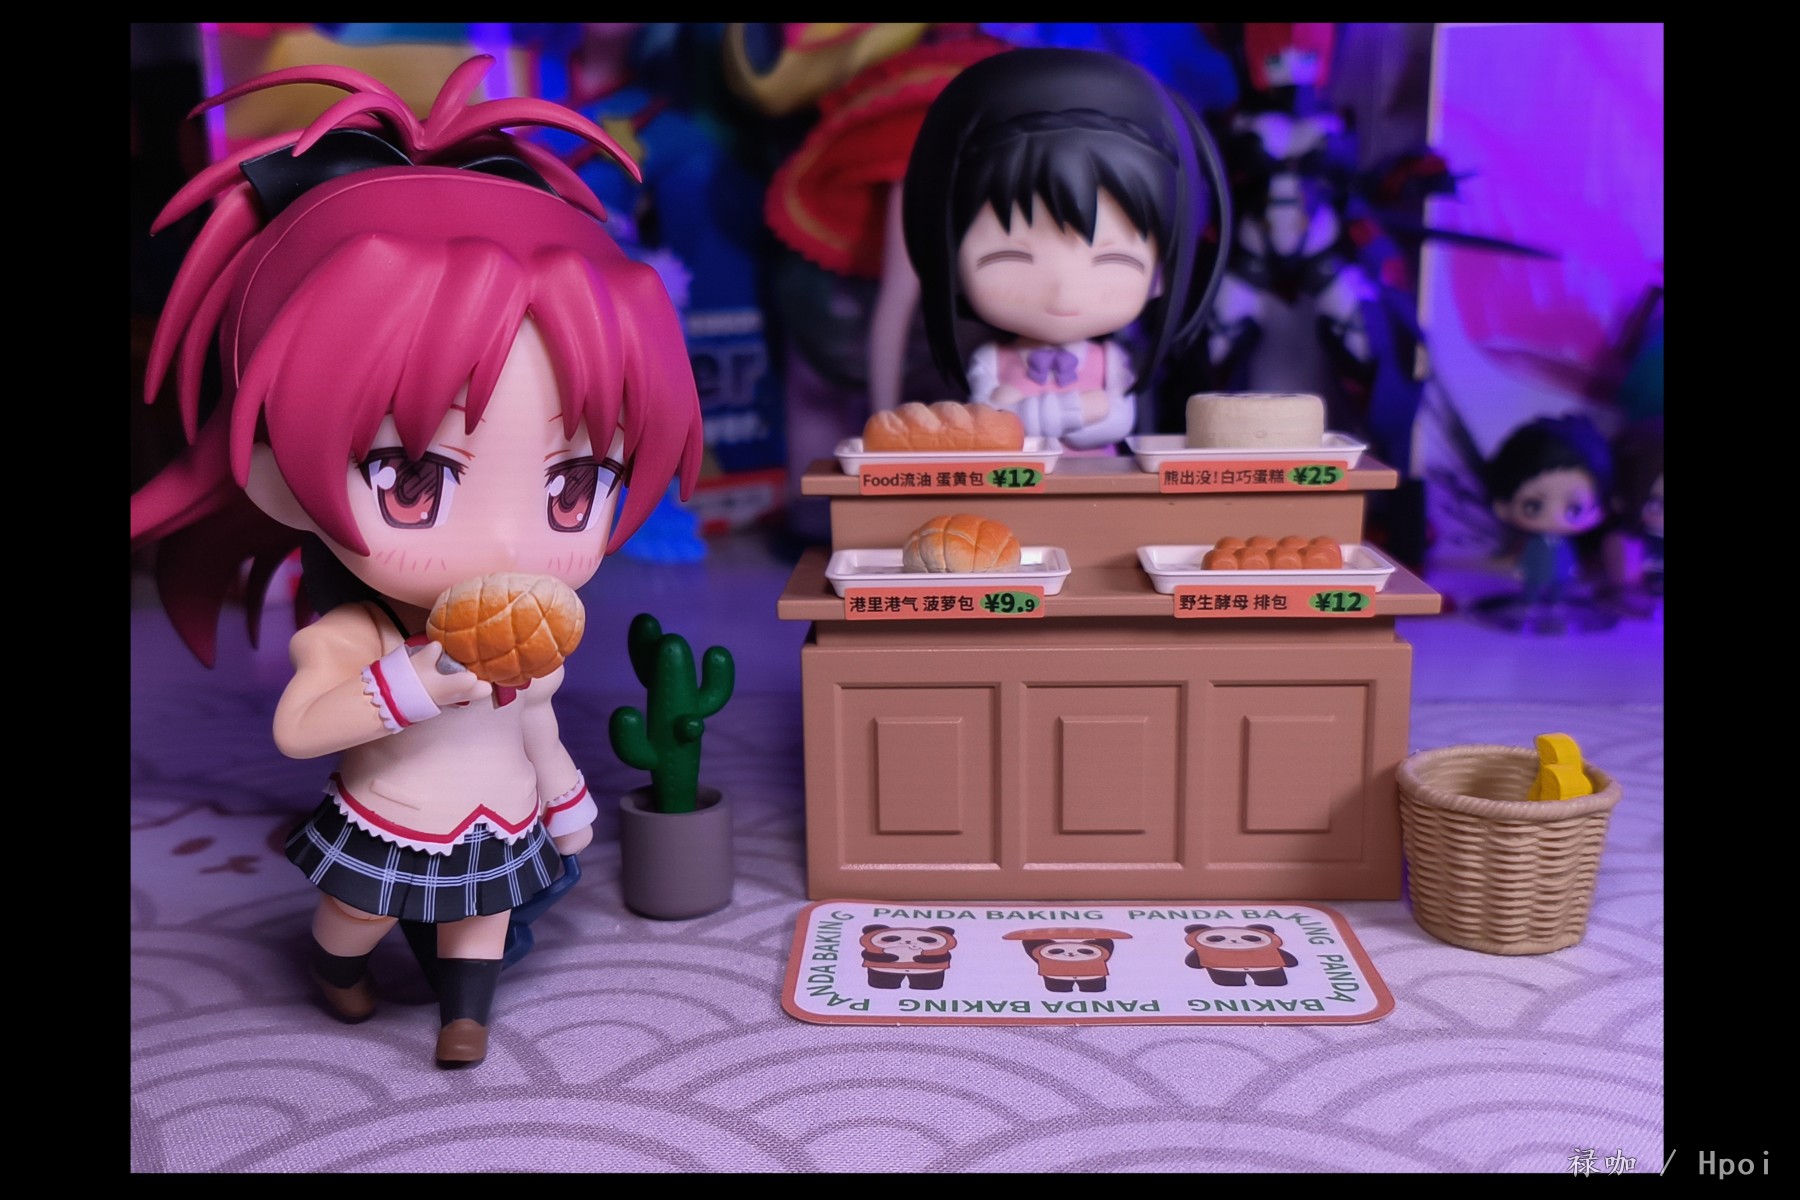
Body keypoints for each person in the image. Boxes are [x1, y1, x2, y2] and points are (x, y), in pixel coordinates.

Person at [129, 56, 704, 1067]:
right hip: (389, 817)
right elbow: (301, 729)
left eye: (573, 489)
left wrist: (567, 802)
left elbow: (538, 725)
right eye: (411, 479)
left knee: (482, 918)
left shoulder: (527, 645)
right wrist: (416, 682)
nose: (506, 545)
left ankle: (465, 1017)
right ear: (274, 476)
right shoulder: (352, 633)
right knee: (355, 915)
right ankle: (338, 968)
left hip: (495, 818)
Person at [900, 47, 1229, 451]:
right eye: (1011, 257)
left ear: (1162, 272)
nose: (1063, 288)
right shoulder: (991, 361)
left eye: (1112, 259)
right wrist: (1076, 409)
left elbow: (1116, 421)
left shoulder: (1111, 362)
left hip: (1098, 479)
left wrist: (1034, 411)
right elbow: (985, 421)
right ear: (951, 263)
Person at [1484, 415, 1612, 608]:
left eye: (1574, 509)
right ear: (1503, 506)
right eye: (1533, 506)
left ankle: (1554, 601)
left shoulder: (1565, 546)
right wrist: (1523, 569)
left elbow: (1569, 561)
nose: (1555, 518)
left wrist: (1573, 571)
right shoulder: (1534, 544)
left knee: (1557, 591)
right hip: (1534, 575)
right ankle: (1531, 600)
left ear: (1598, 511)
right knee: (1533, 589)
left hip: (1562, 576)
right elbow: (1527, 560)